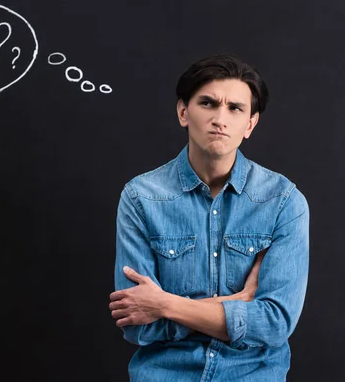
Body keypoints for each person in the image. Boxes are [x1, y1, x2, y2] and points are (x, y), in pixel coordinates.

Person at [109, 54, 309, 381]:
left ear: (250, 124)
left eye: (235, 108)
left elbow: (274, 324)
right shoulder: (141, 197)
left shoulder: (283, 201)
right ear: (183, 112)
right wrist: (238, 303)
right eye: (208, 103)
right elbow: (138, 327)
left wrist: (163, 304)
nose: (220, 118)